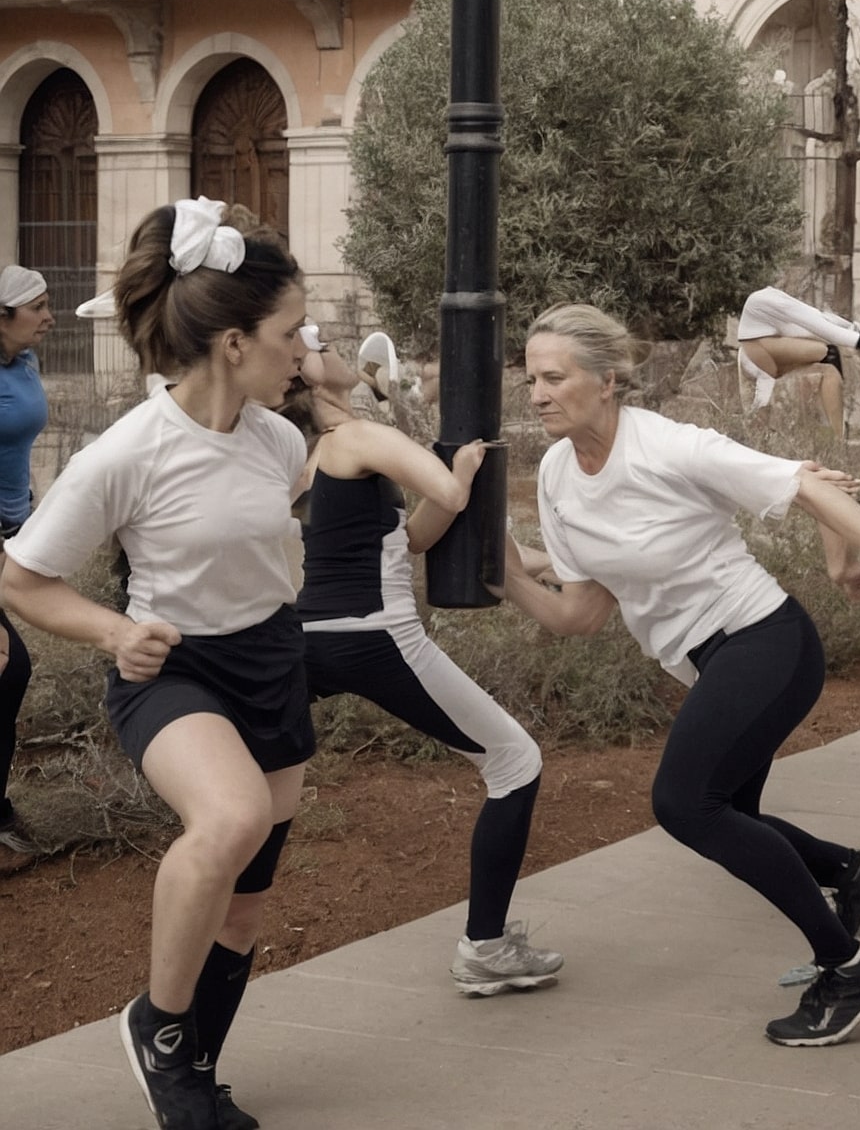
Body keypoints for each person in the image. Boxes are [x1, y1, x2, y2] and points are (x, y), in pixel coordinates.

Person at [497, 303, 860, 1048]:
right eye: (530, 377)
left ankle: (849, 968)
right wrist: (503, 573)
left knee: (684, 803)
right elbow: (580, 615)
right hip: (713, 660)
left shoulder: (669, 445)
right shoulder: (556, 474)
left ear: (607, 381)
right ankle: (850, 872)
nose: (536, 393)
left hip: (765, 642)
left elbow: (805, 486)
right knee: (730, 813)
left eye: (554, 377)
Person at [0, 198, 313, 1130]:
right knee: (231, 817)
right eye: (291, 333)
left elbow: (274, 560)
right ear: (231, 343)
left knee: (243, 911)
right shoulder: (127, 452)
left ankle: (191, 1078)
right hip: (172, 672)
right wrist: (108, 633)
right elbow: (21, 578)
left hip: (272, 666)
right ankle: (158, 1028)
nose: (304, 349)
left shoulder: (279, 438)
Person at [282, 334, 563, 997]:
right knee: (514, 762)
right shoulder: (355, 436)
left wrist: (453, 489)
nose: (345, 349)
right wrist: (461, 472)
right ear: (316, 375)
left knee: (259, 793)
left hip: (304, 638)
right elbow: (445, 489)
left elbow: (406, 539)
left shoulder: (305, 455)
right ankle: (485, 947)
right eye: (323, 345)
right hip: (376, 634)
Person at [735, 285, 860, 602]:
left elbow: (821, 322)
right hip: (776, 418)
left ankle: (847, 569)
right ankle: (846, 569)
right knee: (820, 487)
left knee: (826, 483)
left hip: (797, 418)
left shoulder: (796, 345)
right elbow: (820, 323)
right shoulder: (766, 320)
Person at [0, 263, 54, 856]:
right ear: (4, 317)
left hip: (15, 532)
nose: (48, 316)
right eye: (36, 307)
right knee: (9, 667)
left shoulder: (26, 363)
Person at [734, 284, 860, 431]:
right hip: (759, 360)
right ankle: (832, 436)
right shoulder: (772, 305)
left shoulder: (784, 309)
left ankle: (834, 440)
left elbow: (825, 322)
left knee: (828, 364)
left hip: (768, 360)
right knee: (824, 350)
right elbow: (823, 327)